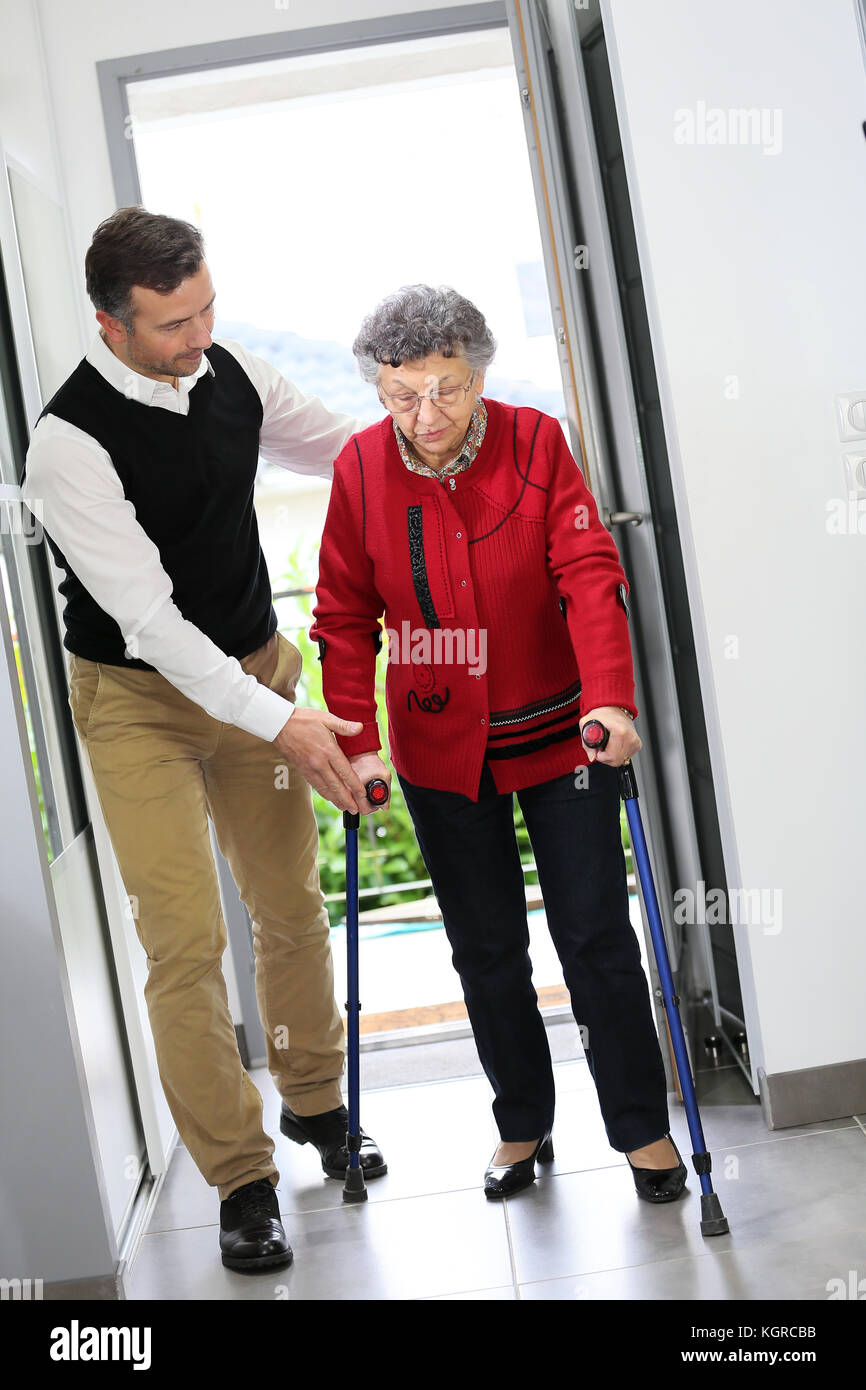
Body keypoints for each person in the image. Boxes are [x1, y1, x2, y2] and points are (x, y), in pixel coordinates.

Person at [20, 207, 388, 1274]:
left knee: (289, 907)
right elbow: (148, 621)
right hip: (140, 697)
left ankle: (316, 1107)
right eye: (174, 323)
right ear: (113, 321)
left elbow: (342, 448)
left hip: (256, 669)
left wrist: (436, 426)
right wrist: (287, 718)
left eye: (207, 309)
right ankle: (240, 1177)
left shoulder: (232, 371)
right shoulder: (68, 441)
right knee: (185, 943)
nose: (198, 335)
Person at [311, 284, 687, 1202]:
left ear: (477, 376)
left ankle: (640, 1129)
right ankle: (522, 1125)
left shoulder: (536, 441)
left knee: (595, 937)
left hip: (566, 735)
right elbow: (345, 617)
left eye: (444, 389)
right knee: (484, 950)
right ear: (379, 390)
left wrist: (612, 702)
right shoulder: (360, 470)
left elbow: (589, 573)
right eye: (402, 395)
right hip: (444, 746)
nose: (424, 416)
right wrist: (358, 744)